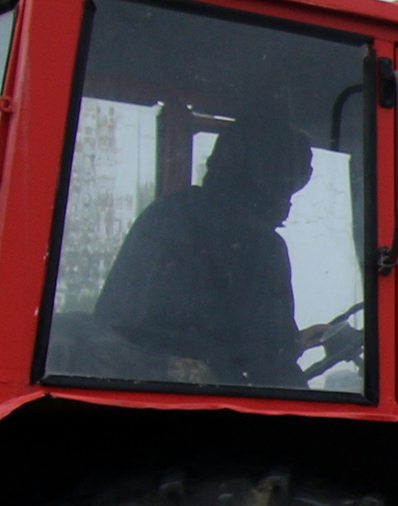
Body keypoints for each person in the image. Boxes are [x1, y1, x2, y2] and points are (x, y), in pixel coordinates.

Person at [91, 116, 347, 387]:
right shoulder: (257, 244)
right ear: (264, 178)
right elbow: (271, 365)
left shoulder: (168, 213)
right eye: (286, 186)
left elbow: (185, 330)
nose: (287, 204)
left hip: (124, 384)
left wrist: (291, 342)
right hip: (198, 398)